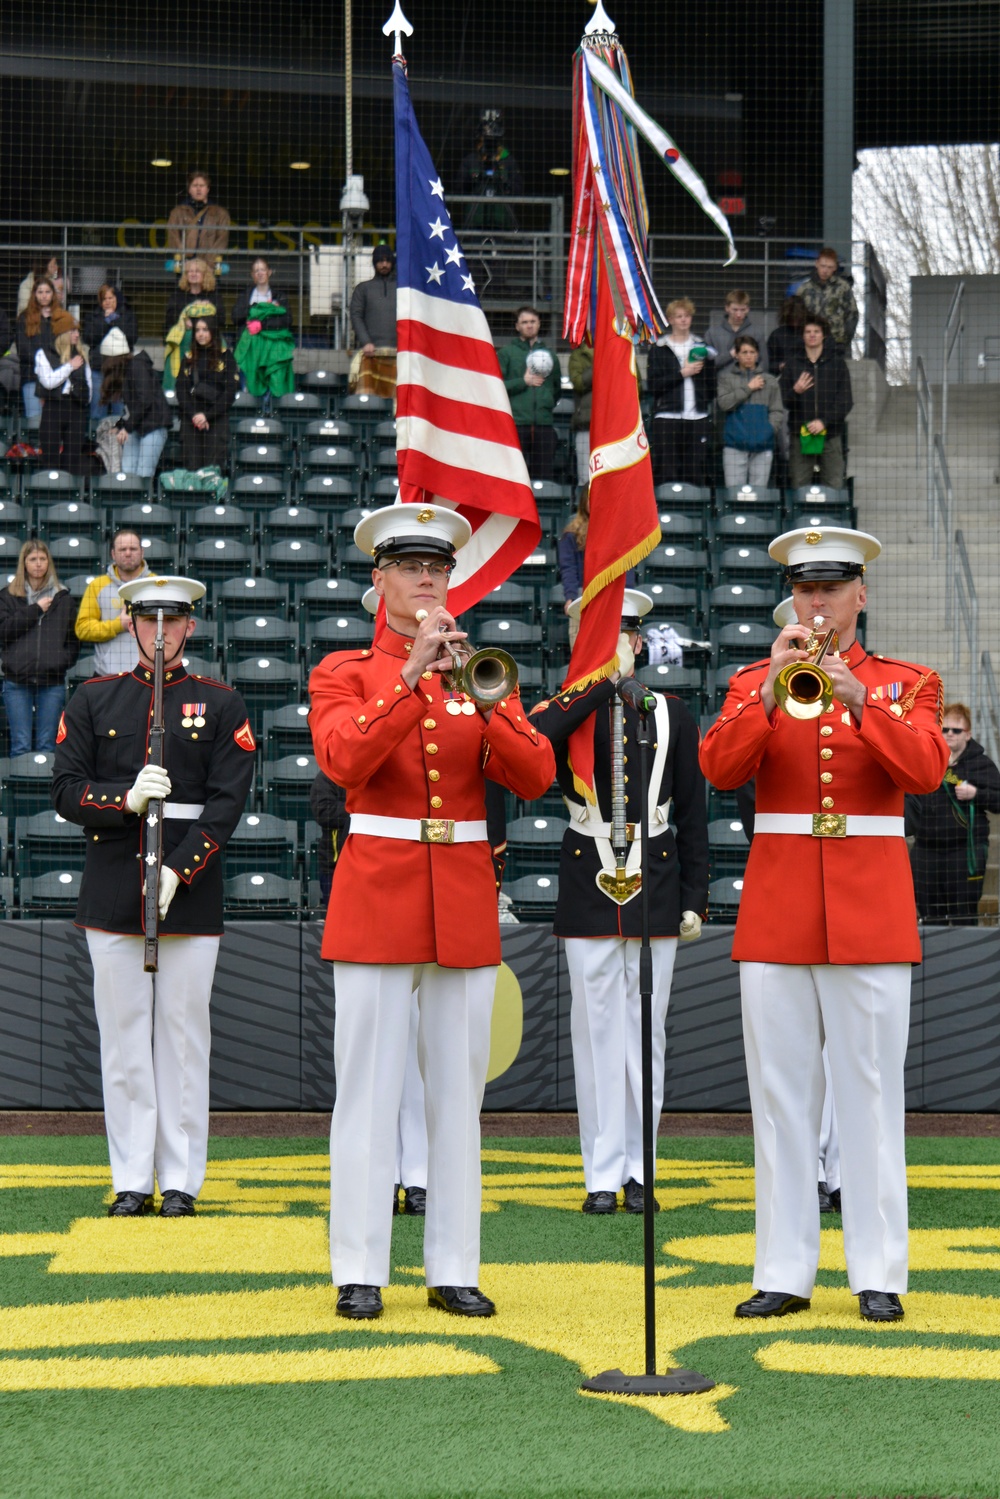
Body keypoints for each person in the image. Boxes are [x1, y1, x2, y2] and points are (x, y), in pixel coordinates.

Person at [308, 503, 555, 1321]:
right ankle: (359, 1266)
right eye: (409, 568)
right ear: (378, 581)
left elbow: (534, 776)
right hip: (378, 889)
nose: (425, 580)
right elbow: (344, 759)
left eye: (438, 568)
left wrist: (484, 703)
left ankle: (453, 1264)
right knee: (368, 1092)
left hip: (460, 893)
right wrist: (410, 678)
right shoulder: (346, 672)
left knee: (458, 1097)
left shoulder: (478, 672)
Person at [700, 526, 948, 1323]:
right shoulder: (753, 681)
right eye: (807, 589)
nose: (818, 602)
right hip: (778, 910)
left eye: (833, 588)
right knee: (779, 1098)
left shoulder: (908, 683)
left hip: (870, 908)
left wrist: (858, 697)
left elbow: (926, 772)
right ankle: (783, 1269)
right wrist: (772, 691)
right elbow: (719, 767)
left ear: (860, 596)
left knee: (871, 1094)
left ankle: (878, 1271)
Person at [51, 575, 256, 1218]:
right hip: (113, 890)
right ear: (132, 625)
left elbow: (227, 805)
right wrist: (123, 800)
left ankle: (182, 1180)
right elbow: (64, 791)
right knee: (123, 1037)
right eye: (148, 621)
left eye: (174, 621)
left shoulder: (220, 703)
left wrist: (177, 870)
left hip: (188, 896)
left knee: (183, 1038)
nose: (161, 632)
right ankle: (132, 1175)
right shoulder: (92, 698)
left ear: (191, 626)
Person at [531, 590, 709, 1214]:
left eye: (624, 637)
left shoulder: (672, 713)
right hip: (588, 879)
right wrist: (593, 687)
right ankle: (601, 1173)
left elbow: (691, 810)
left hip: (655, 879)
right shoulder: (565, 708)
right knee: (595, 1031)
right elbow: (532, 744)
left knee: (646, 1033)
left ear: (639, 642)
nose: (617, 648)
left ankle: (642, 1169)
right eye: (602, 638)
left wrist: (696, 894)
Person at [906, 702, 1000, 926]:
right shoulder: (925, 761)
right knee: (928, 914)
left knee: (964, 913)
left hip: (964, 851)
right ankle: (933, 960)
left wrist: (975, 793)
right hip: (926, 850)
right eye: (944, 729)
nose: (949, 734)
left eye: (956, 730)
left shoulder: (980, 764)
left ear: (967, 735)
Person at [0, 540, 79, 755]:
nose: (38, 564)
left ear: (49, 563)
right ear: (24, 563)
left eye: (42, 559)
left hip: (51, 682)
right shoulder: (7, 596)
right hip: (16, 681)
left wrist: (60, 662)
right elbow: (3, 631)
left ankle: (49, 790)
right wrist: (35, 609)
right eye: (33, 559)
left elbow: (73, 640)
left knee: (48, 746)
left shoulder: (64, 599)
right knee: (21, 745)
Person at [647, 298, 716, 488]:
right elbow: (653, 386)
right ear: (670, 320)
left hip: (697, 417)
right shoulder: (659, 349)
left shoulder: (702, 347)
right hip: (667, 416)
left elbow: (711, 384)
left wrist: (702, 399)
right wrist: (682, 374)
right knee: (666, 469)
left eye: (687, 316)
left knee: (695, 469)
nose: (684, 320)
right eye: (679, 316)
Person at [779, 313, 853, 489]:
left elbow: (845, 401)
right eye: (808, 331)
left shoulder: (837, 364)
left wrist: (824, 422)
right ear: (802, 335)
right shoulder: (793, 364)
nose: (812, 335)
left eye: (816, 331)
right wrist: (795, 391)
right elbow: (783, 400)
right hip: (800, 433)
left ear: (824, 334)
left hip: (830, 433)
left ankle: (832, 517)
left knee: (834, 484)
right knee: (799, 484)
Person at [75, 530, 157, 676]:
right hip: (107, 676)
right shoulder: (97, 586)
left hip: (148, 675)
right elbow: (82, 629)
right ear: (113, 554)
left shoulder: (156, 584)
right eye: (122, 549)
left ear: (142, 552)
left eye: (133, 549)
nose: (127, 553)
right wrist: (118, 625)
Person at [98, 329, 173, 480]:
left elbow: (144, 400)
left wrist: (127, 427)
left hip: (153, 426)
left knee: (143, 474)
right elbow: (130, 408)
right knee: (127, 473)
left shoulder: (137, 367)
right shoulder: (127, 371)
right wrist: (120, 426)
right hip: (137, 426)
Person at [497, 306, 562, 481]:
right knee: (513, 476)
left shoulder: (550, 355)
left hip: (543, 423)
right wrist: (523, 382)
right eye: (524, 322)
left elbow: (556, 389)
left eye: (533, 322)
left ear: (539, 324)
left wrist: (546, 402)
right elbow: (496, 387)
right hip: (515, 424)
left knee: (543, 476)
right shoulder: (506, 354)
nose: (529, 326)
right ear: (517, 326)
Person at [717, 335, 784, 488]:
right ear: (737, 355)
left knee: (759, 495)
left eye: (752, 352)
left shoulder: (770, 380)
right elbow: (724, 404)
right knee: (734, 493)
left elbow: (777, 411)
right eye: (744, 352)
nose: (748, 356)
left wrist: (768, 430)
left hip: (763, 445)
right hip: (734, 445)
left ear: (758, 354)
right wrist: (748, 388)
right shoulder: (726, 379)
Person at [175, 315, 240, 471]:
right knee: (192, 470)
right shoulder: (188, 358)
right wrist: (194, 415)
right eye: (197, 330)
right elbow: (181, 390)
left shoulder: (226, 357)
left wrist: (207, 416)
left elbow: (229, 393)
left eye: (205, 330)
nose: (201, 334)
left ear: (213, 332)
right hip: (191, 421)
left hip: (216, 420)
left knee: (212, 472)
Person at [16, 276, 74, 422]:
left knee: (55, 423)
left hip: (57, 377)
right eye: (40, 292)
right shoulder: (24, 318)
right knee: (36, 422)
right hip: (32, 376)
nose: (44, 295)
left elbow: (66, 346)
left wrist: (53, 367)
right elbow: (22, 348)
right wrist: (43, 365)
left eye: (47, 292)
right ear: (34, 294)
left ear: (53, 294)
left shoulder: (62, 317)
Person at [35, 325, 92, 472]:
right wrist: (69, 367)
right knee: (50, 454)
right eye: (73, 331)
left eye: (78, 331)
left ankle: (70, 491)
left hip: (76, 409)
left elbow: (89, 386)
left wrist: (82, 397)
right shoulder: (43, 354)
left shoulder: (81, 356)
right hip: (54, 407)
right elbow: (48, 382)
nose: (77, 335)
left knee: (73, 458)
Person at [349, 245, 397, 399]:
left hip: (400, 354)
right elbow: (356, 316)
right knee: (368, 402)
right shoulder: (362, 289)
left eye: (388, 261)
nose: (384, 265)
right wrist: (366, 341)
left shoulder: (404, 289)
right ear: (374, 263)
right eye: (381, 261)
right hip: (370, 355)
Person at [83, 284, 138, 419]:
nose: (108, 301)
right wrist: (106, 321)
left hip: (121, 370)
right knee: (98, 409)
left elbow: (131, 337)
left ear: (117, 298)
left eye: (111, 298)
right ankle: (96, 438)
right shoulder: (93, 317)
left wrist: (115, 319)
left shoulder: (127, 315)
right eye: (104, 299)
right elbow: (89, 338)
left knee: (120, 410)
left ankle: (120, 438)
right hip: (99, 369)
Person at [796, 247, 858, 354]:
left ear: (835, 268)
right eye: (823, 266)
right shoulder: (804, 289)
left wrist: (845, 340)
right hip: (810, 343)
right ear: (816, 264)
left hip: (835, 341)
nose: (825, 271)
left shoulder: (843, 288)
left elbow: (852, 314)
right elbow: (796, 315)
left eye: (830, 267)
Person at [167, 170, 231, 269]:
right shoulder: (177, 212)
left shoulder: (221, 214)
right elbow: (173, 237)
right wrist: (184, 261)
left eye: (202, 185)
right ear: (189, 189)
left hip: (209, 267)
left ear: (208, 189)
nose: (198, 189)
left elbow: (222, 240)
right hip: (185, 266)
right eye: (195, 185)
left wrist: (208, 263)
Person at [707, 289, 770, 375]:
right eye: (735, 310)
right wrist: (730, 355)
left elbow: (764, 364)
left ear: (748, 309)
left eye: (742, 310)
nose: (739, 314)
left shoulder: (757, 333)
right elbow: (708, 364)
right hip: (721, 386)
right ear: (727, 308)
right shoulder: (712, 333)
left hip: (751, 385)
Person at [231, 257, 292, 337]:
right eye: (256, 271)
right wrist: (253, 309)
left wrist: (262, 324)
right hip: (248, 340)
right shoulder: (245, 295)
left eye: (263, 270)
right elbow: (235, 317)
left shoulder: (279, 296)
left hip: (271, 340)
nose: (260, 273)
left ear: (269, 272)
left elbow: (287, 320)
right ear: (252, 275)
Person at [567, 342, 593, 492]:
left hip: (615, 425)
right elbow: (578, 383)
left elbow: (637, 386)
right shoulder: (578, 355)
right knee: (586, 477)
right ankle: (585, 513)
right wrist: (600, 363)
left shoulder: (620, 351)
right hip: (586, 423)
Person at [767, 295, 807, 375]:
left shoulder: (809, 332)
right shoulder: (777, 335)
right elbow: (767, 364)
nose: (795, 322)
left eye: (797, 318)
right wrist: (780, 366)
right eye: (792, 318)